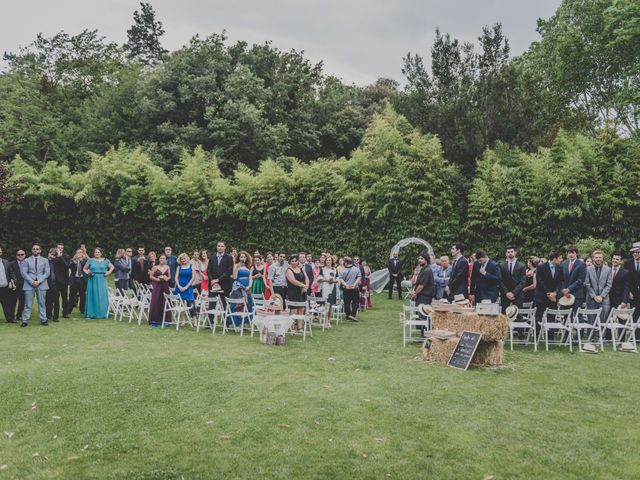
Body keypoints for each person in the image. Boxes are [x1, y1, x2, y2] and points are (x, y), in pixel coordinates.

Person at [21, 244, 51, 326]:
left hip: (42, 284)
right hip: (29, 284)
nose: (35, 250)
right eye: (34, 249)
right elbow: (24, 273)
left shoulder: (45, 260)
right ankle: (25, 320)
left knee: (42, 303)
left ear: (40, 250)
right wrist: (32, 281)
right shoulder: (26, 260)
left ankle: (44, 320)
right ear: (32, 250)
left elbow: (47, 272)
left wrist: (39, 281)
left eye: (37, 249)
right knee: (28, 304)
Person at [534, 250, 564, 331]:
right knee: (538, 317)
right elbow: (540, 282)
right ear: (554, 258)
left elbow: (560, 282)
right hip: (541, 296)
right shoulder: (541, 267)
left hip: (553, 297)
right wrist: (548, 293)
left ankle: (550, 338)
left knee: (552, 317)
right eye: (560, 258)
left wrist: (555, 293)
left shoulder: (560, 268)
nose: (561, 260)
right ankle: (536, 336)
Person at [84, 247, 114, 319]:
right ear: (94, 253)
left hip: (102, 279)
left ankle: (103, 313)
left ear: (101, 253)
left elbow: (112, 267)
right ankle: (91, 313)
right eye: (95, 252)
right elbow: (84, 268)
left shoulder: (106, 261)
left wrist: (108, 273)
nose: (97, 253)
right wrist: (88, 272)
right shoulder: (90, 260)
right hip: (92, 279)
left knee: (102, 295)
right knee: (92, 295)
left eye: (98, 252)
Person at [584, 250, 612, 322]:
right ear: (593, 258)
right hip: (591, 299)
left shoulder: (608, 269)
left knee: (603, 323)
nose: (598, 259)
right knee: (590, 322)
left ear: (602, 258)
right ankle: (590, 333)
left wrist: (601, 296)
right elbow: (587, 283)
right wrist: (594, 296)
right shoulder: (588, 269)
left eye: (600, 257)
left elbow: (609, 284)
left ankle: (602, 334)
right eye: (596, 257)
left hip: (604, 299)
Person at [499, 246, 527, 312]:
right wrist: (507, 293)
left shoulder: (521, 265)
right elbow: (500, 280)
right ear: (506, 254)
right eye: (508, 252)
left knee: (518, 316)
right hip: (505, 295)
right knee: (504, 316)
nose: (510, 253)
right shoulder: (501, 266)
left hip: (518, 295)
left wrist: (513, 293)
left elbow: (523, 281)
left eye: (512, 252)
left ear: (515, 253)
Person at [286, 255, 309, 333]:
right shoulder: (289, 270)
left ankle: (299, 328)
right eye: (292, 261)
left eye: (295, 261)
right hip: (293, 292)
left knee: (301, 309)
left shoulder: (301, 269)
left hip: (302, 292)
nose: (294, 262)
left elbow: (306, 278)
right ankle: (291, 328)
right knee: (293, 310)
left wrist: (306, 286)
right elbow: (293, 280)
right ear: (290, 262)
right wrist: (303, 285)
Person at [561, 245, 587, 312]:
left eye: (573, 253)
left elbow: (581, 280)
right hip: (565, 295)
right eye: (569, 253)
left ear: (576, 253)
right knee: (565, 317)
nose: (571, 255)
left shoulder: (581, 264)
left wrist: (569, 289)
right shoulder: (564, 264)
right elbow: (561, 278)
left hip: (576, 294)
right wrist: (564, 289)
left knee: (577, 317)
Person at [207, 241, 234, 306]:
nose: (220, 248)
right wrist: (213, 280)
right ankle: (212, 316)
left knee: (224, 303)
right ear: (216, 247)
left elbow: (229, 271)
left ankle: (225, 316)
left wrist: (218, 279)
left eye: (222, 246)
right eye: (219, 246)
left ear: (225, 247)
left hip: (224, 284)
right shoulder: (212, 257)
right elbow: (209, 270)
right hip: (213, 284)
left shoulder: (229, 258)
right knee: (212, 303)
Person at [148, 253, 171, 326]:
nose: (162, 260)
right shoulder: (155, 267)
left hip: (165, 286)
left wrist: (166, 278)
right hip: (157, 286)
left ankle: (165, 319)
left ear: (165, 260)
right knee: (156, 301)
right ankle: (155, 320)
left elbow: (169, 277)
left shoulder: (167, 267)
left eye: (163, 258)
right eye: (161, 258)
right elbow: (151, 276)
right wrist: (157, 279)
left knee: (165, 302)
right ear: (159, 259)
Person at [318, 255, 339, 327]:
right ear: (325, 261)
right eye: (327, 260)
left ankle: (328, 320)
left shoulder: (335, 269)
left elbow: (338, 279)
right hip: (324, 288)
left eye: (330, 260)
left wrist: (334, 281)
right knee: (326, 305)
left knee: (330, 305)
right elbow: (319, 279)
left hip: (332, 288)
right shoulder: (322, 269)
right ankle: (325, 321)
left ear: (332, 261)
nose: (328, 261)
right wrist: (327, 280)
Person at [339, 256, 361, 322]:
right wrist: (354, 285)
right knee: (356, 302)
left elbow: (341, 279)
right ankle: (352, 315)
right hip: (354, 288)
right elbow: (359, 277)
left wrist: (346, 285)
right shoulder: (356, 269)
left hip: (346, 289)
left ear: (345, 263)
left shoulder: (342, 270)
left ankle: (348, 315)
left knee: (346, 303)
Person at [7, 249, 26, 322]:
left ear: (25, 255)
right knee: (12, 302)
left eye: (22, 254)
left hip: (24, 286)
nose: (20, 256)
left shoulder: (27, 263)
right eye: (18, 255)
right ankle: (12, 317)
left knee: (22, 302)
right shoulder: (11, 263)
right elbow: (10, 273)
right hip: (14, 286)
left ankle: (19, 315)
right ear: (16, 256)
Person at [68, 248, 87, 315]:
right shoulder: (72, 261)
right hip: (74, 280)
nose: (79, 254)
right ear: (76, 254)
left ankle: (82, 310)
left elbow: (85, 266)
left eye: (80, 252)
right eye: (78, 252)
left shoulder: (85, 261)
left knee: (83, 296)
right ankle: (69, 310)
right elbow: (69, 266)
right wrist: (74, 260)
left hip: (82, 280)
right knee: (71, 296)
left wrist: (81, 260)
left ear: (82, 254)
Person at [624, 242, 640, 321]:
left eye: (637, 252)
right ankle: (635, 332)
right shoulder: (627, 263)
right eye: (633, 252)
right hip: (632, 294)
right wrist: (629, 292)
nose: (635, 254)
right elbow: (626, 280)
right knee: (635, 314)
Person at [45, 248, 61, 323]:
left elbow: (65, 264)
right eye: (51, 254)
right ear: (48, 253)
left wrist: (58, 256)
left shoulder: (57, 262)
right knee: (48, 301)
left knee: (56, 301)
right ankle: (48, 315)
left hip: (56, 284)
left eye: (54, 255)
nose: (52, 256)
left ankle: (56, 317)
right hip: (46, 283)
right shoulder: (44, 261)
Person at [0, 252, 17, 323]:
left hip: (4, 288)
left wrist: (14, 280)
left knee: (7, 304)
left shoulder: (6, 262)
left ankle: (10, 319)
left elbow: (11, 272)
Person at [55, 243, 71, 318]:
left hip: (64, 280)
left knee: (64, 297)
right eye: (58, 247)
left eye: (61, 248)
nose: (60, 249)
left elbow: (67, 265)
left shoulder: (66, 256)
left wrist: (60, 256)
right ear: (56, 248)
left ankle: (65, 313)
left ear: (63, 249)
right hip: (55, 280)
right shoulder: (53, 255)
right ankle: (53, 313)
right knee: (54, 297)